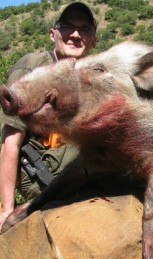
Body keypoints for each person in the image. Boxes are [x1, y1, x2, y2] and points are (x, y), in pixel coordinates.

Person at [0, 2, 97, 232]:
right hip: (39, 170)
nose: (75, 35)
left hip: (73, 164)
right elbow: (10, 143)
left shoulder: (90, 76)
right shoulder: (32, 68)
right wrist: (6, 209)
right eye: (67, 27)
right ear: (53, 34)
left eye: (84, 29)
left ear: (93, 41)